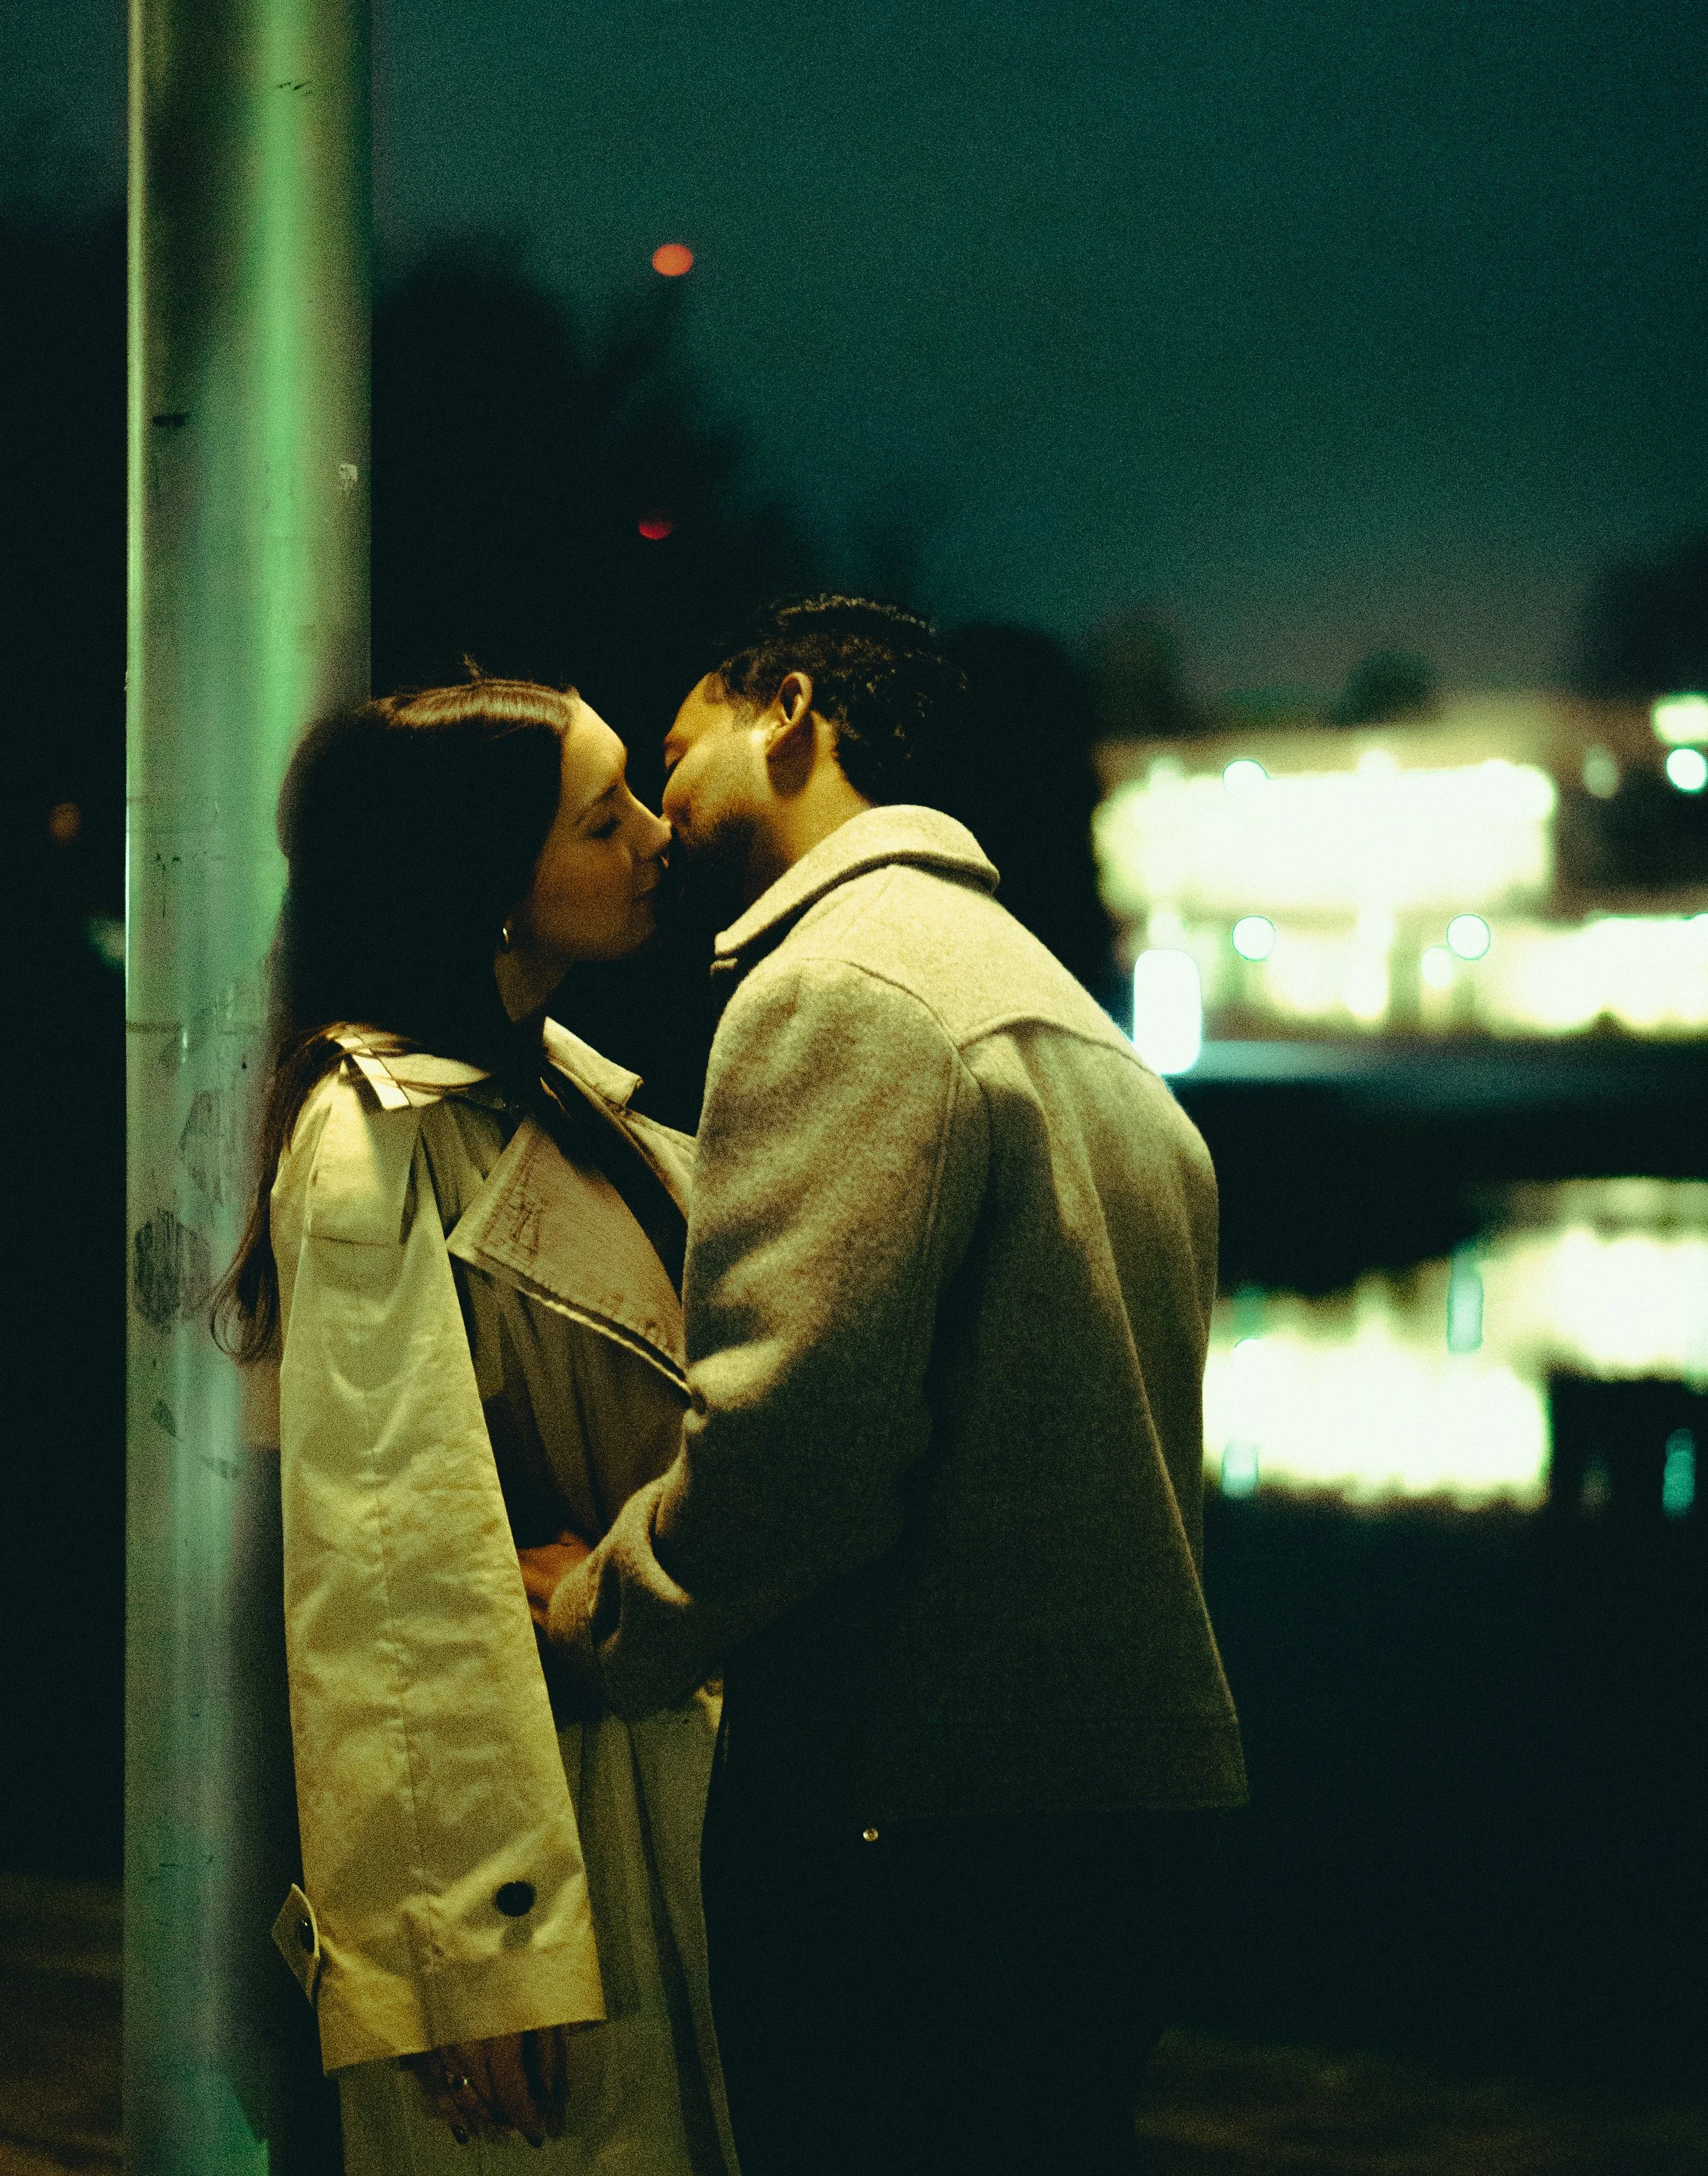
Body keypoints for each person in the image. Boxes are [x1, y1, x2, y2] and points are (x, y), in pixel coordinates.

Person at [526, 597, 1248, 2176]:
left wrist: (598, 1617)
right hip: (1127, 1798)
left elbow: (795, 1439)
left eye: (676, 751)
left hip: (919, 1811)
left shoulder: (837, 988)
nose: (658, 812)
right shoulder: (1068, 1019)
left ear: (789, 712)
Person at [216, 675, 737, 2176]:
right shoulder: (372, 1130)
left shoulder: (556, 1093)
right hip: (550, 1818)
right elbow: (391, 1554)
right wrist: (471, 1947)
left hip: (638, 1774)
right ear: (484, 885)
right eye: (601, 816)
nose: (652, 838)